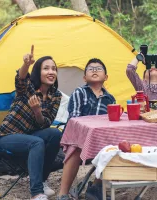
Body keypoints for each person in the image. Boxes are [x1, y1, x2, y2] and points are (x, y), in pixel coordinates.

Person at [0, 45, 62, 200]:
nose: (51, 72)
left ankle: (43, 180)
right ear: (38, 71)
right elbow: (21, 78)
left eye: (54, 69)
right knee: (37, 143)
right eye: (46, 68)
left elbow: (46, 123)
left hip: (31, 134)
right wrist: (26, 64)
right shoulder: (28, 88)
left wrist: (37, 111)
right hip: (8, 136)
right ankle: (36, 193)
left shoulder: (56, 95)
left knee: (54, 134)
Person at [57, 58, 116, 200]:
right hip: (78, 137)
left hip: (99, 139)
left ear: (106, 77)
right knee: (75, 149)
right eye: (90, 69)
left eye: (98, 69)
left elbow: (110, 122)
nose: (94, 70)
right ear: (84, 78)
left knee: (111, 149)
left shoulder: (110, 99)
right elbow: (75, 120)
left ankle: (96, 187)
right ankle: (63, 193)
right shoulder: (80, 93)